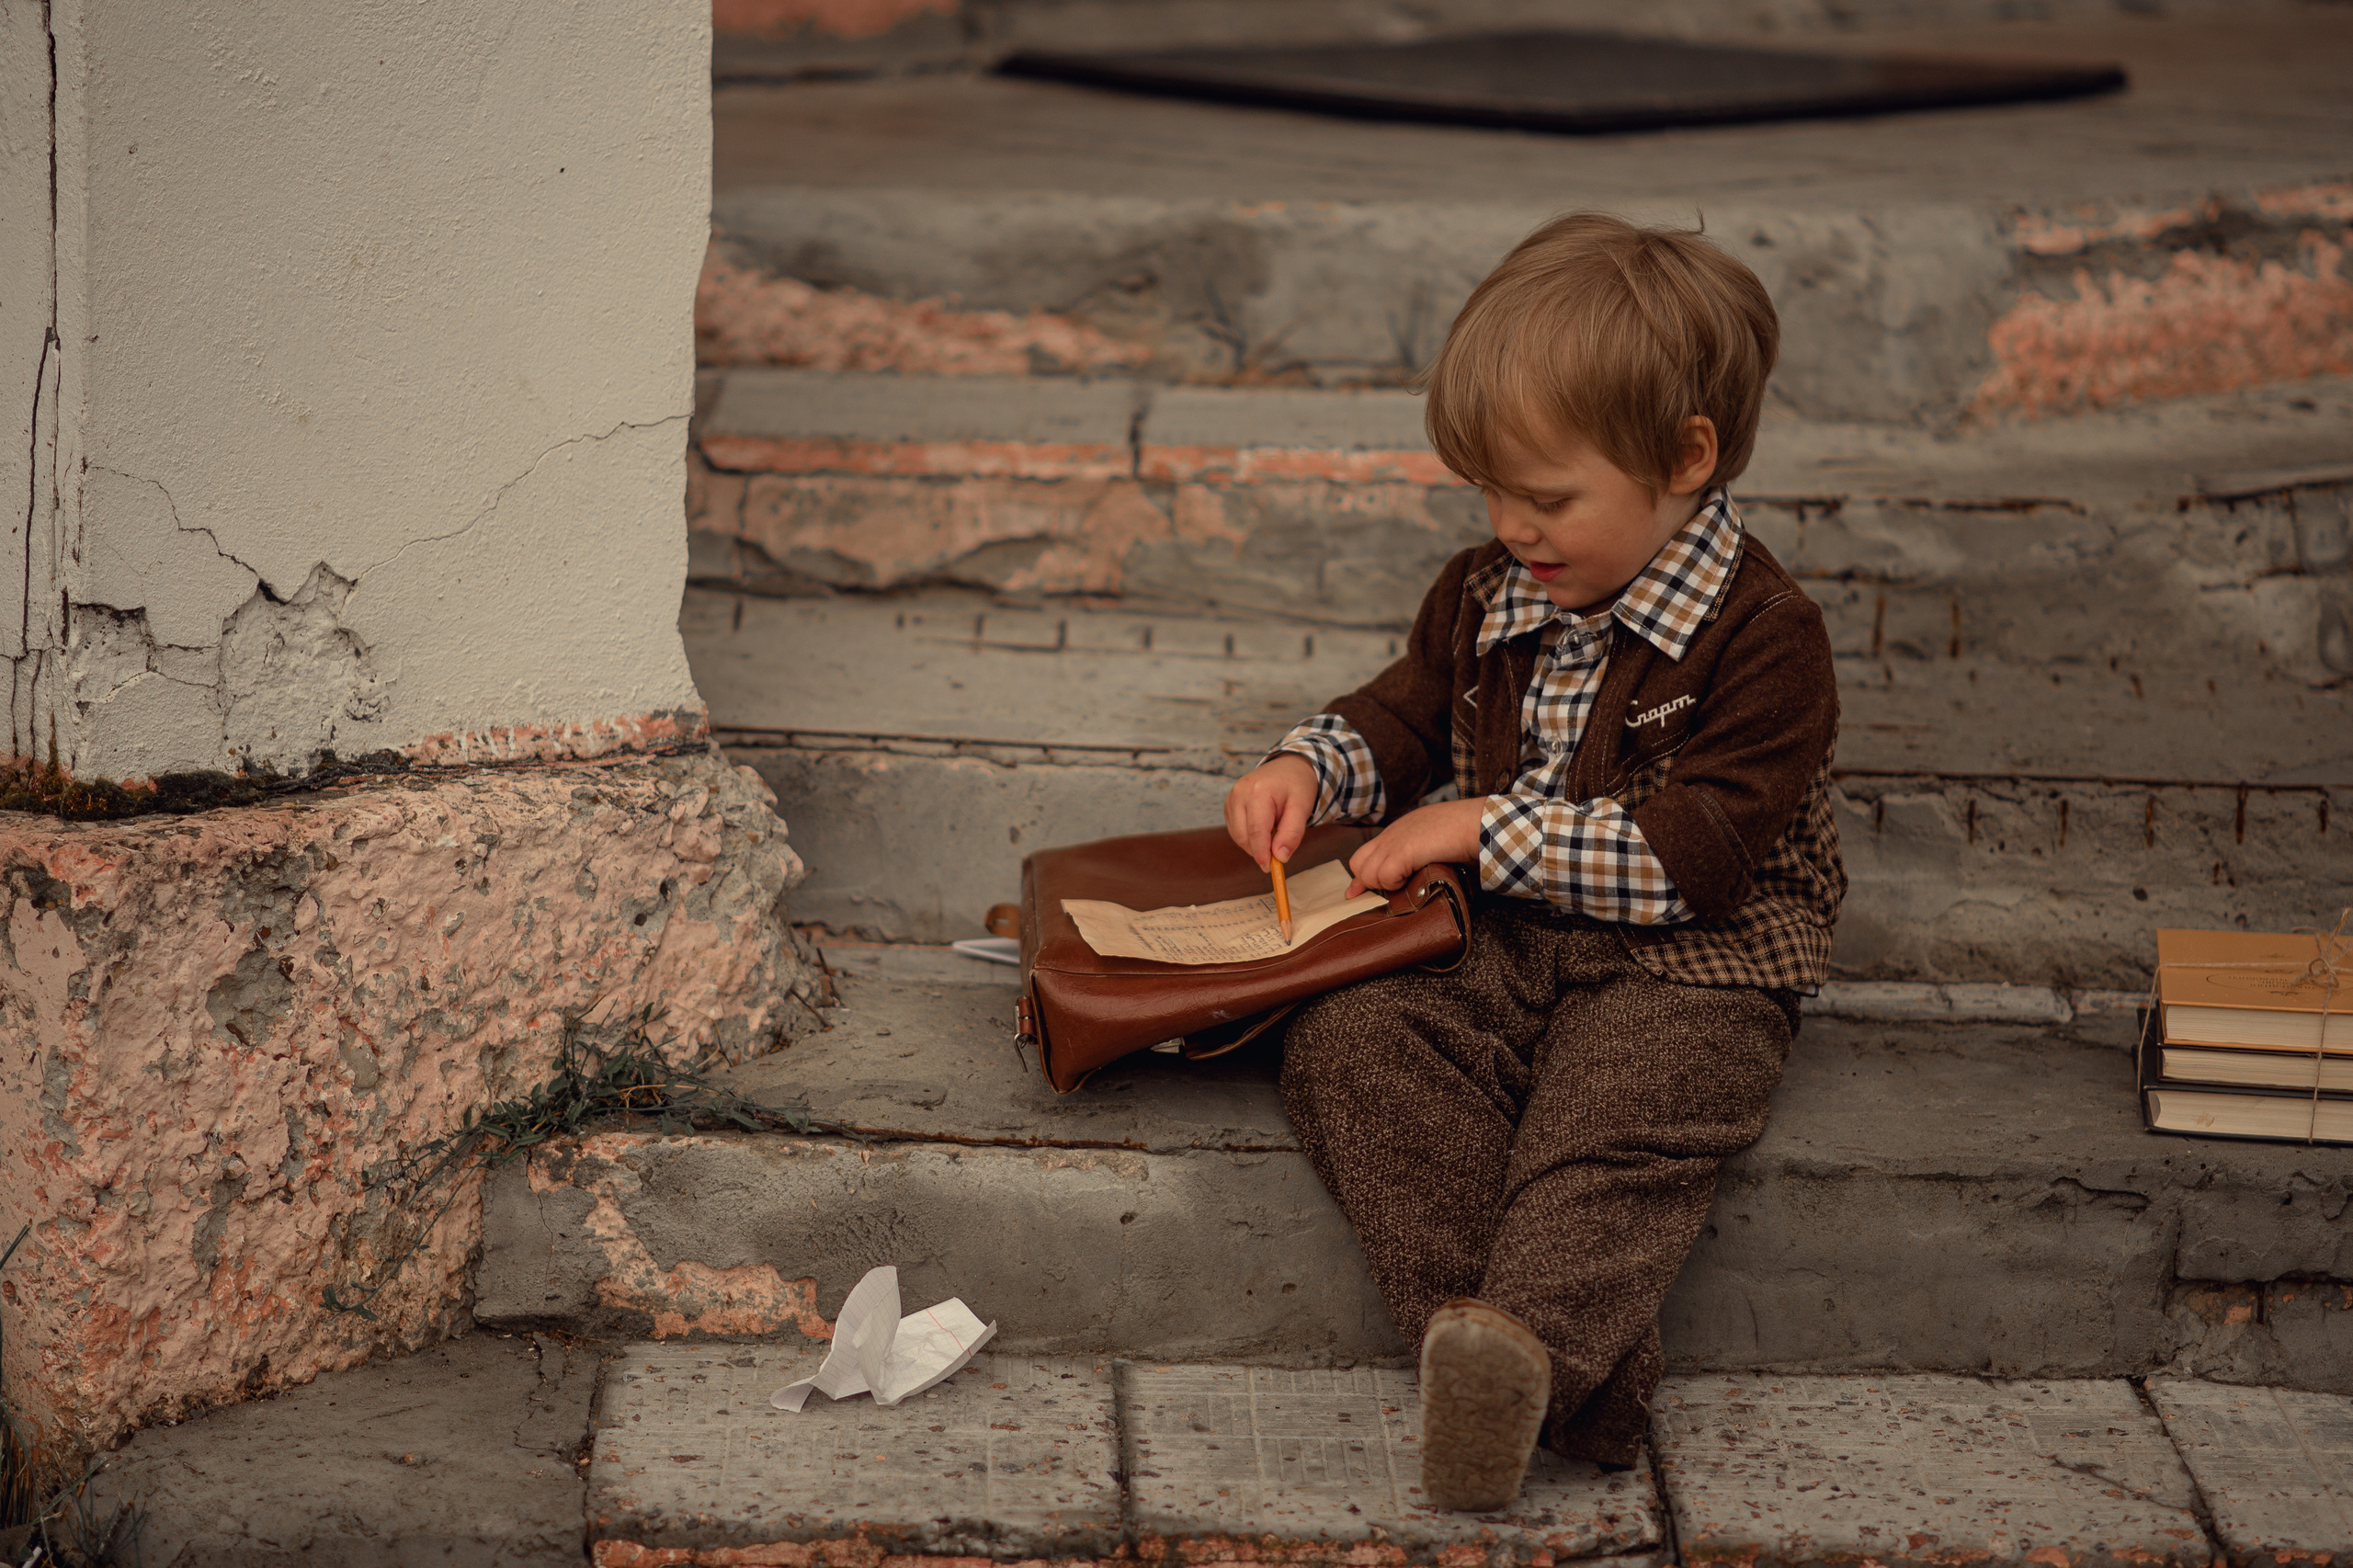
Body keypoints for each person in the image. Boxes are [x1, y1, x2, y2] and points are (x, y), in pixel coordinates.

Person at [1222, 212, 1844, 1510]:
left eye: (1548, 498)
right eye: (1490, 493)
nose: (1512, 526)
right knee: (1348, 1042)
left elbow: (1700, 859)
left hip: (1695, 962)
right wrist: (1309, 768)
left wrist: (1474, 825)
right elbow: (1404, 714)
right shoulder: (1484, 591)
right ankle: (1514, 1371)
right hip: (1506, 934)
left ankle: (1530, 1356)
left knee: (1611, 1127)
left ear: (1686, 459)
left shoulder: (1768, 637)